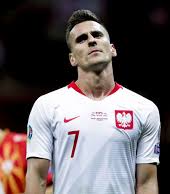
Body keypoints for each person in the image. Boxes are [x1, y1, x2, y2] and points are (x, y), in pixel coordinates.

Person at [24, 9, 161, 194]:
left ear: (112, 49)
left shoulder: (144, 109)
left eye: (97, 35)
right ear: (72, 59)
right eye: (81, 39)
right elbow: (37, 177)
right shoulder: (47, 106)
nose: (91, 40)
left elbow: (147, 182)